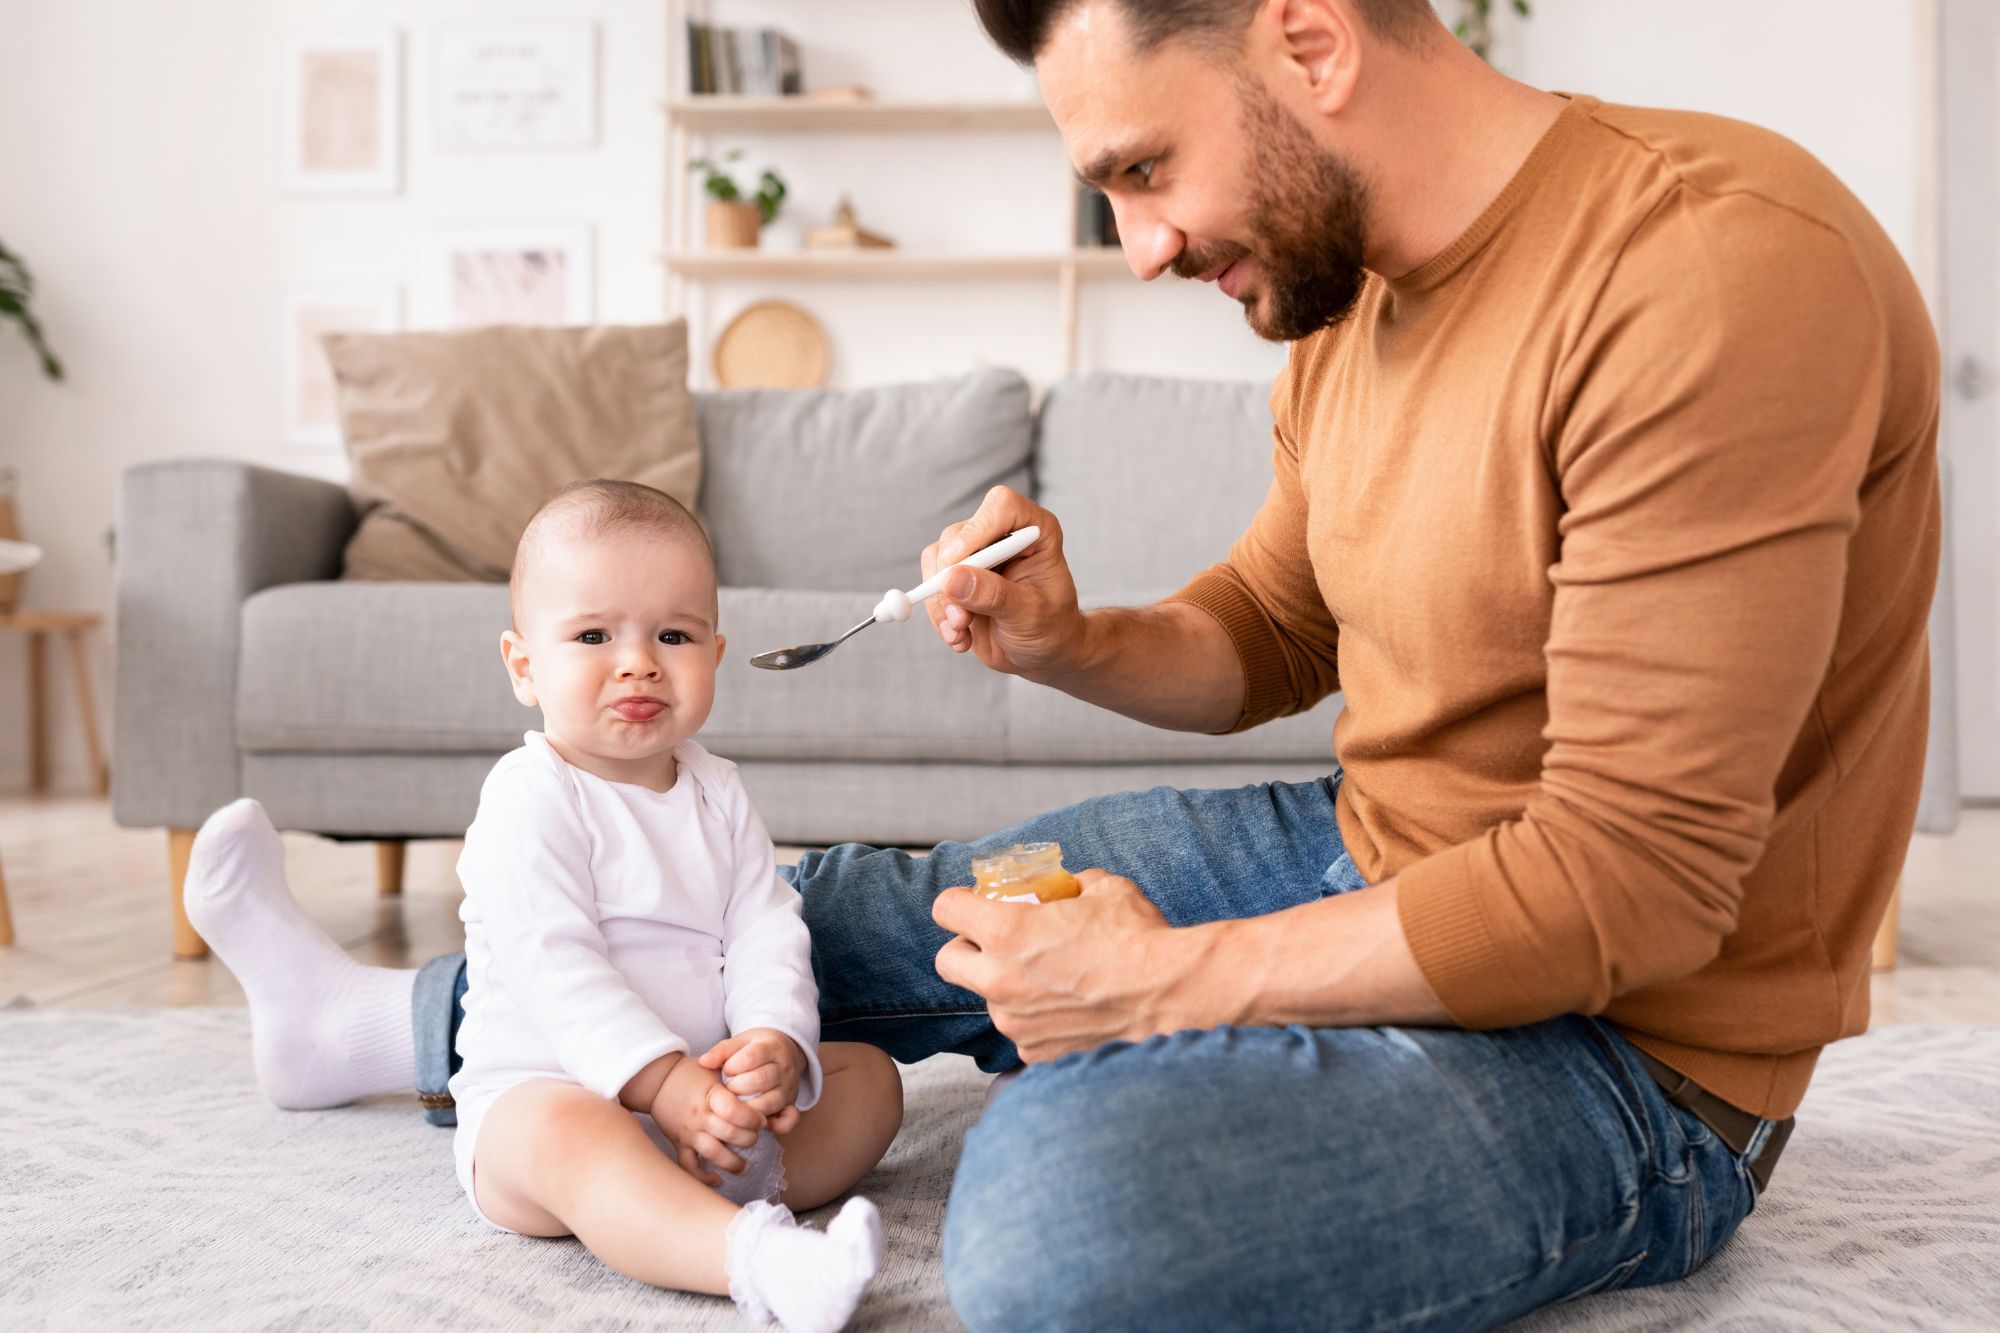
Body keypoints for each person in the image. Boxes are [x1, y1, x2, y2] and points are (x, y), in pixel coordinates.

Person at [184, 1, 1940, 1328]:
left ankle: (1126, 1076)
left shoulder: (1711, 271)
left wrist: (1171, 984)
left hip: (1632, 1051)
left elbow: (1632, 879)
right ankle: (376, 1025)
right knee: (830, 918)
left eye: (1143, 169)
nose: (1144, 244)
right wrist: (1072, 638)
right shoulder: (1355, 314)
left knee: (1065, 1215)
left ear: (1308, 37)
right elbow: (1269, 630)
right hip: (1378, 853)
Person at [189, 481, 902, 1333]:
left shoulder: (718, 790)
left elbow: (764, 922)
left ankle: (690, 1194)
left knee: (870, 1080)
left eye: (673, 634)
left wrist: (772, 1041)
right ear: (525, 665)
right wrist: (661, 1081)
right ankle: (758, 1260)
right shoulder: (531, 796)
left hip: (702, 1104)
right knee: (566, 1128)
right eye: (594, 635)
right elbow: (554, 966)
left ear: (714, 653)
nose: (637, 660)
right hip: (553, 1101)